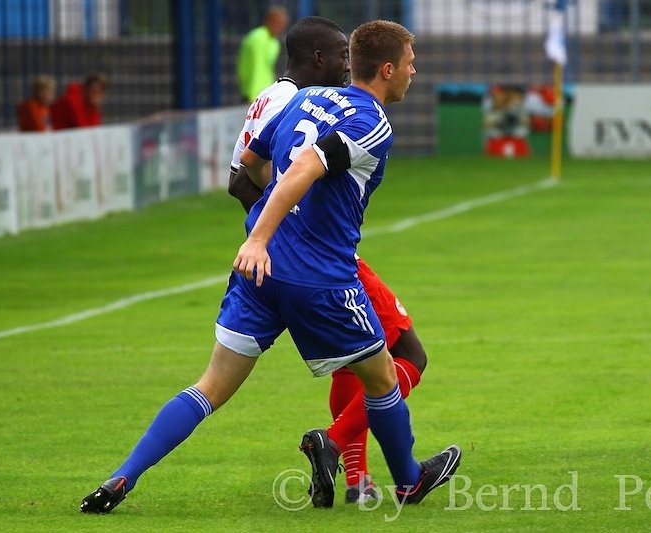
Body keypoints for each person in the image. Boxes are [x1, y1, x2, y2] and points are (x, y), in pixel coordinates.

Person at [79, 19, 459, 515]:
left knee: (210, 386)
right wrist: (264, 236)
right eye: (411, 63)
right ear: (387, 70)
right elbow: (305, 168)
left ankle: (120, 477)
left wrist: (270, 230)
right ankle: (408, 480)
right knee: (386, 375)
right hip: (320, 278)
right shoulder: (373, 122)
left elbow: (254, 163)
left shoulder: (307, 99)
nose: (415, 70)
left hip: (260, 275)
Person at [228, 17, 429, 505]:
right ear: (317, 58)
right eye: (338, 55)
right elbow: (291, 171)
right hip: (318, 260)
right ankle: (354, 456)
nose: (344, 64)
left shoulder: (294, 97)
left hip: (288, 254)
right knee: (403, 357)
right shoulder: (324, 104)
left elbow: (245, 171)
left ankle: (362, 478)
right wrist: (272, 231)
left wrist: (272, 225)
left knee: (361, 359)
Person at [236, 5, 289, 103]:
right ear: (269, 21)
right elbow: (256, 69)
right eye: (278, 24)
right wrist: (253, 97)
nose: (280, 28)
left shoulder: (274, 42)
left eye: (282, 25)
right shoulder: (258, 39)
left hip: (264, 94)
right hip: (254, 95)